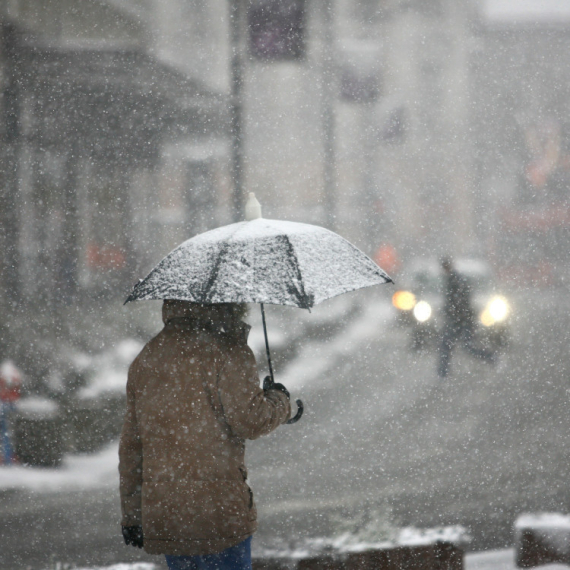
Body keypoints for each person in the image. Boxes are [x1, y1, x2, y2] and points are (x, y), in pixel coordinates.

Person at [119, 300, 291, 570]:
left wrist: (132, 516)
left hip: (168, 514)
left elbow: (132, 446)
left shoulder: (149, 355)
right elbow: (251, 420)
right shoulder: (228, 350)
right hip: (219, 512)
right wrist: (280, 399)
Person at [437, 256, 496, 378]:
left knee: (463, 346)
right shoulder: (452, 279)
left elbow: (461, 301)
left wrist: (455, 313)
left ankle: (491, 357)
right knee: (450, 346)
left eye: (445, 267)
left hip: (462, 320)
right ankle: (442, 373)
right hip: (459, 319)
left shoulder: (456, 280)